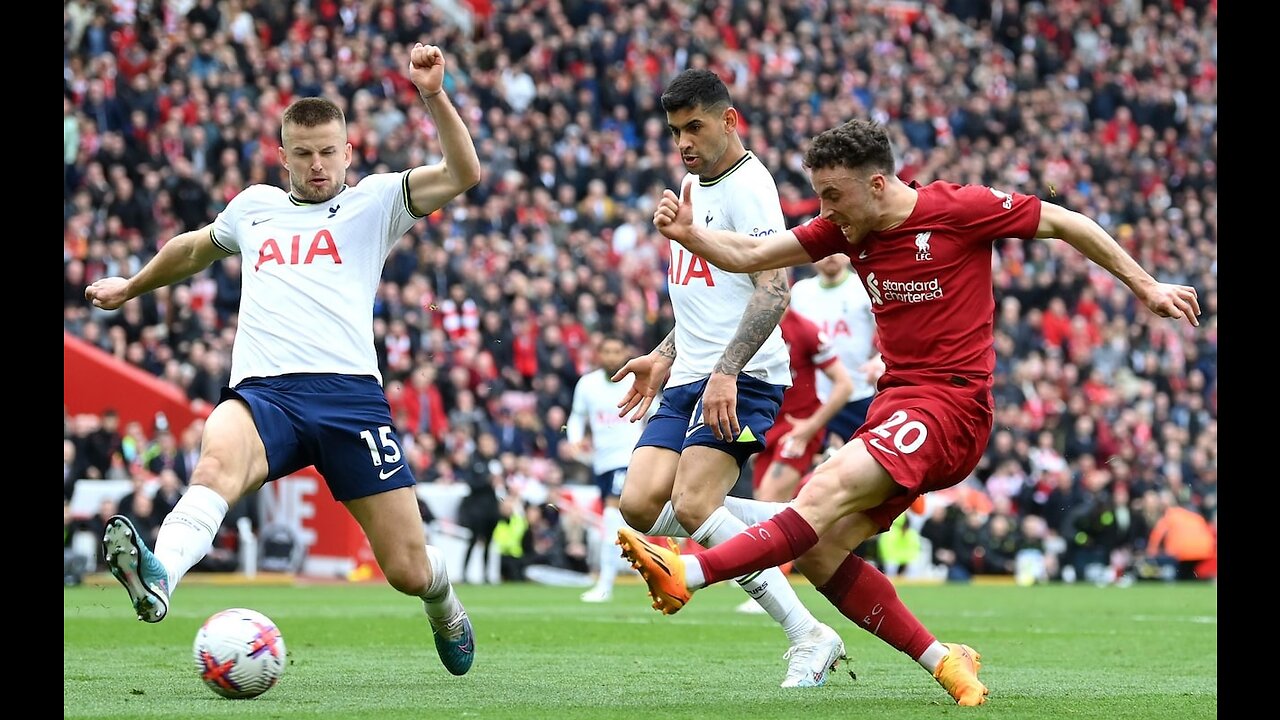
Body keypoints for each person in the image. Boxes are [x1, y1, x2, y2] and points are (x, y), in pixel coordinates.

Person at [619, 117, 1201, 705]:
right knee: (820, 548)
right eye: (820, 195)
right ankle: (943, 660)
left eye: (833, 195)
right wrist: (692, 236)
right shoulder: (848, 229)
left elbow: (1064, 221)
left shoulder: (958, 209)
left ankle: (689, 573)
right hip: (896, 405)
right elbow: (756, 253)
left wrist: (1145, 285)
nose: (825, 209)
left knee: (822, 492)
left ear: (876, 184)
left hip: (952, 404)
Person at [84, 43, 482, 677]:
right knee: (215, 460)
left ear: (349, 150)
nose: (317, 165)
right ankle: (160, 577)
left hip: (350, 398)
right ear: (282, 155)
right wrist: (131, 285)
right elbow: (192, 251)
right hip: (266, 393)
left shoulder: (377, 201)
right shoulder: (254, 208)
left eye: (328, 151)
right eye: (303, 154)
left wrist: (432, 95)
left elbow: (463, 173)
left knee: (408, 569)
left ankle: (444, 604)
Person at [610, 68, 846, 688]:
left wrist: (727, 371)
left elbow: (774, 289)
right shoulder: (692, 183)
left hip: (745, 379)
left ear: (729, 120)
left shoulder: (750, 187)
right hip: (691, 371)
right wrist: (663, 354)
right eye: (675, 131)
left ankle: (809, 636)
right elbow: (702, 293)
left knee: (692, 503)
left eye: (695, 127)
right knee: (639, 505)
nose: (684, 142)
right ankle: (773, 520)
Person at [564, 334, 653, 602]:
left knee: (611, 517)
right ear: (598, 354)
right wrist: (575, 439)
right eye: (607, 351)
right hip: (602, 462)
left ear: (624, 353)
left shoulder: (636, 380)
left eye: (617, 351)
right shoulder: (587, 385)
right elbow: (577, 416)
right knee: (631, 523)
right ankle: (658, 573)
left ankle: (604, 585)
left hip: (629, 458)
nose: (612, 356)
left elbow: (656, 411)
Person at [788, 253, 879, 449]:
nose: (829, 255)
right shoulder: (800, 292)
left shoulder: (864, 287)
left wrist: (880, 359)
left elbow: (892, 331)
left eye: (836, 249)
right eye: (824, 249)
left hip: (859, 394)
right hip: (814, 399)